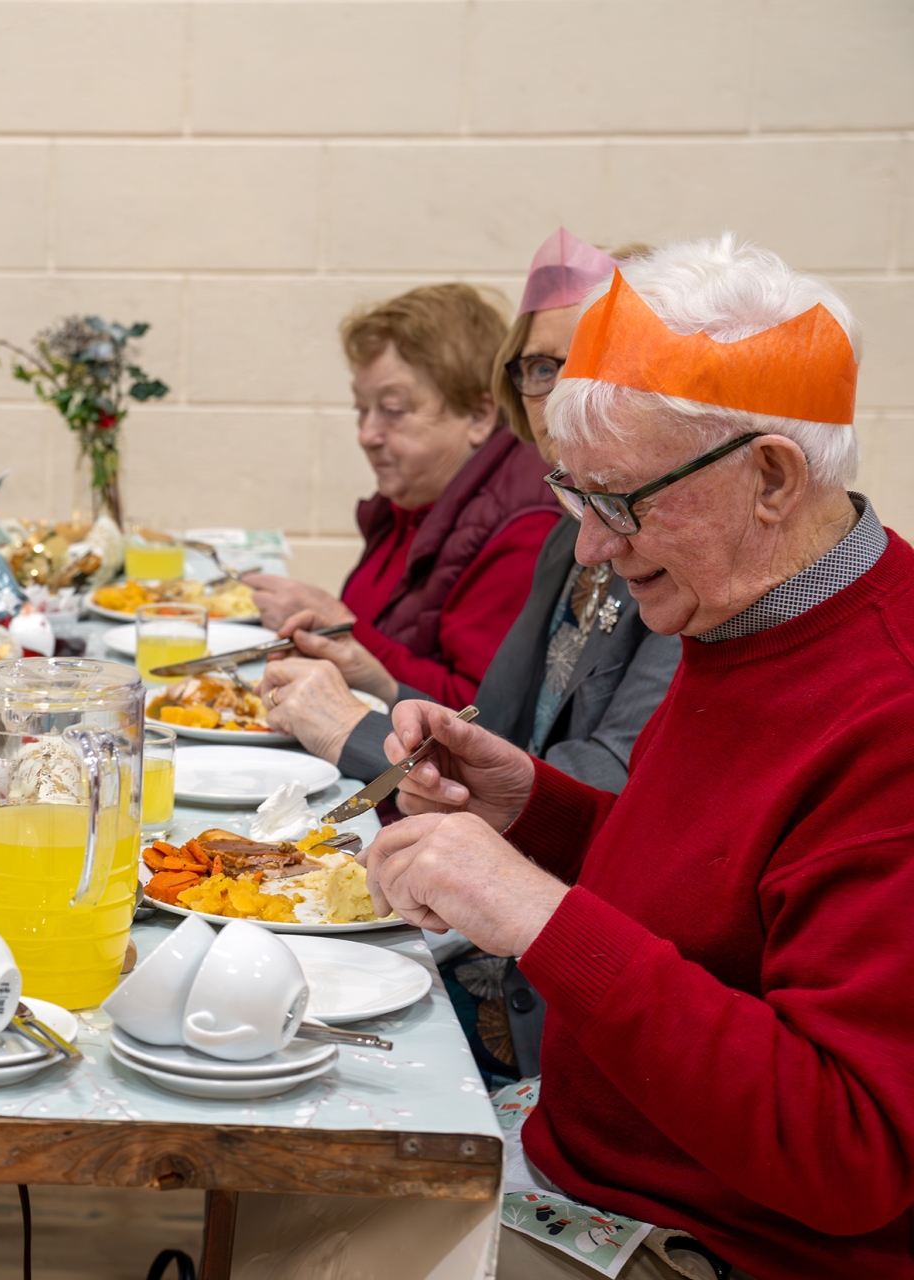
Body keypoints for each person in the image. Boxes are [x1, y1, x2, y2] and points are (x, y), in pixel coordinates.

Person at [363, 236, 914, 1278]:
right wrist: (533, 808)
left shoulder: (889, 711)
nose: (592, 545)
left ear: (771, 477)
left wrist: (534, 911)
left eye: (621, 500)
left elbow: (852, 1151)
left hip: (722, 1242)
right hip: (585, 1153)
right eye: (575, 497)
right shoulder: (743, 610)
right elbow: (723, 901)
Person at [263, 232, 680, 795]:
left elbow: (607, 784)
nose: (561, 400)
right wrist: (383, 684)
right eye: (540, 369)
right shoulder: (566, 534)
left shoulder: (680, 550)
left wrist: (349, 728)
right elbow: (493, 726)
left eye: (588, 363)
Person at [243, 284, 559, 716]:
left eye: (392, 410)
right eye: (361, 410)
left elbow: (480, 713)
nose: (366, 435)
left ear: (479, 416)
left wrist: (340, 629)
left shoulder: (524, 524)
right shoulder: (414, 498)